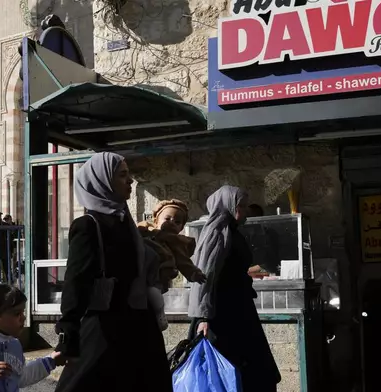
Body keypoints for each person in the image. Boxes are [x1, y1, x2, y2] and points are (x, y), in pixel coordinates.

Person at [54, 152, 171, 392]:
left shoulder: (125, 222)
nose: (130, 181)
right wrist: (69, 333)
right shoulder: (88, 225)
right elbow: (77, 281)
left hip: (138, 325)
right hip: (106, 328)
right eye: (122, 175)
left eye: (129, 175)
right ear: (102, 181)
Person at [189, 185, 281, 392]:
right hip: (221, 314)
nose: (246, 210)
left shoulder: (232, 232)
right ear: (229, 206)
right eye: (241, 205)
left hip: (238, 309)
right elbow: (205, 276)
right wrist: (203, 317)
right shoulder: (217, 233)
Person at [138, 199, 207, 330]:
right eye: (167, 218)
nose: (171, 223)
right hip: (141, 271)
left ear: (181, 228)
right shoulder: (147, 230)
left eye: (177, 222)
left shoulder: (176, 242)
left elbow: (184, 261)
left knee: (153, 293)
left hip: (158, 274)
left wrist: (194, 273)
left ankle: (160, 315)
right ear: (157, 220)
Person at [245, 203, 281, 276]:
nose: (246, 219)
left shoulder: (270, 234)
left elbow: (273, 260)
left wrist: (250, 270)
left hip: (267, 273)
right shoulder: (246, 236)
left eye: (250, 216)